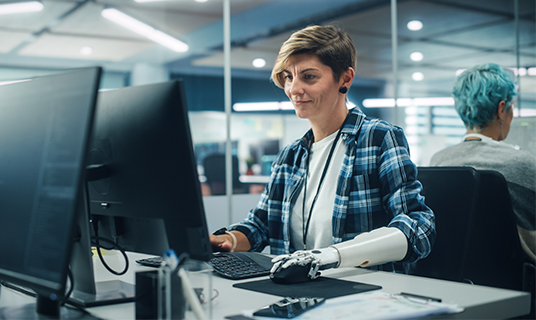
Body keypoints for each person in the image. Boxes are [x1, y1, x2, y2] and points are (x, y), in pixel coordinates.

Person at [210, 25, 435, 277]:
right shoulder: (290, 156)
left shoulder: (378, 138)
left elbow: (417, 227)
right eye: (288, 76)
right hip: (294, 294)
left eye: (308, 77)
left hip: (363, 293)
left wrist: (332, 255)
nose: (294, 89)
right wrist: (228, 239)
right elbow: (261, 225)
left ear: (345, 79)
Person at [430, 63, 535, 263]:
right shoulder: (525, 165)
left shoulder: (439, 161)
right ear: (502, 109)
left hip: (458, 281)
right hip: (521, 285)